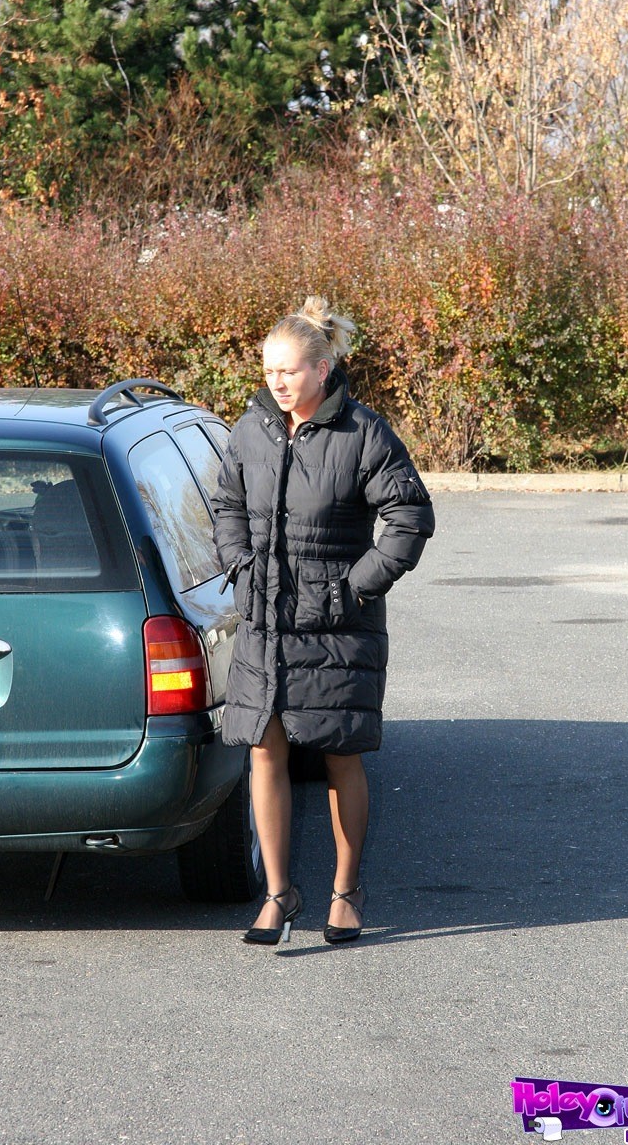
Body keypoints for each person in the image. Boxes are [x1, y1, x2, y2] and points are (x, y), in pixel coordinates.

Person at [212, 295, 435, 946]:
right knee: (264, 750)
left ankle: (346, 889)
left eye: (289, 370)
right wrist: (240, 566)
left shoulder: (363, 432)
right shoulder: (251, 428)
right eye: (269, 369)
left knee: (340, 755)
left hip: (338, 625)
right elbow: (226, 502)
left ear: (323, 367)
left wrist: (353, 590)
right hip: (265, 621)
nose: (276, 381)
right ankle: (279, 896)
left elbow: (410, 517)